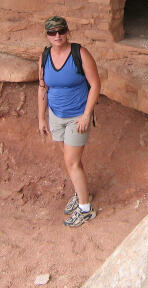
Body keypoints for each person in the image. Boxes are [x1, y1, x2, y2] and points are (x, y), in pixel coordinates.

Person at [38, 16, 101, 227]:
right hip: (56, 115)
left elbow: (95, 85)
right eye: (52, 33)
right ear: (47, 35)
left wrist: (86, 115)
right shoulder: (45, 56)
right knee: (69, 160)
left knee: (72, 162)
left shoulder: (79, 53)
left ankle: (85, 209)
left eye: (61, 31)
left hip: (77, 117)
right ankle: (81, 191)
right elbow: (42, 87)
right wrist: (41, 118)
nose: (58, 36)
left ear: (67, 32)